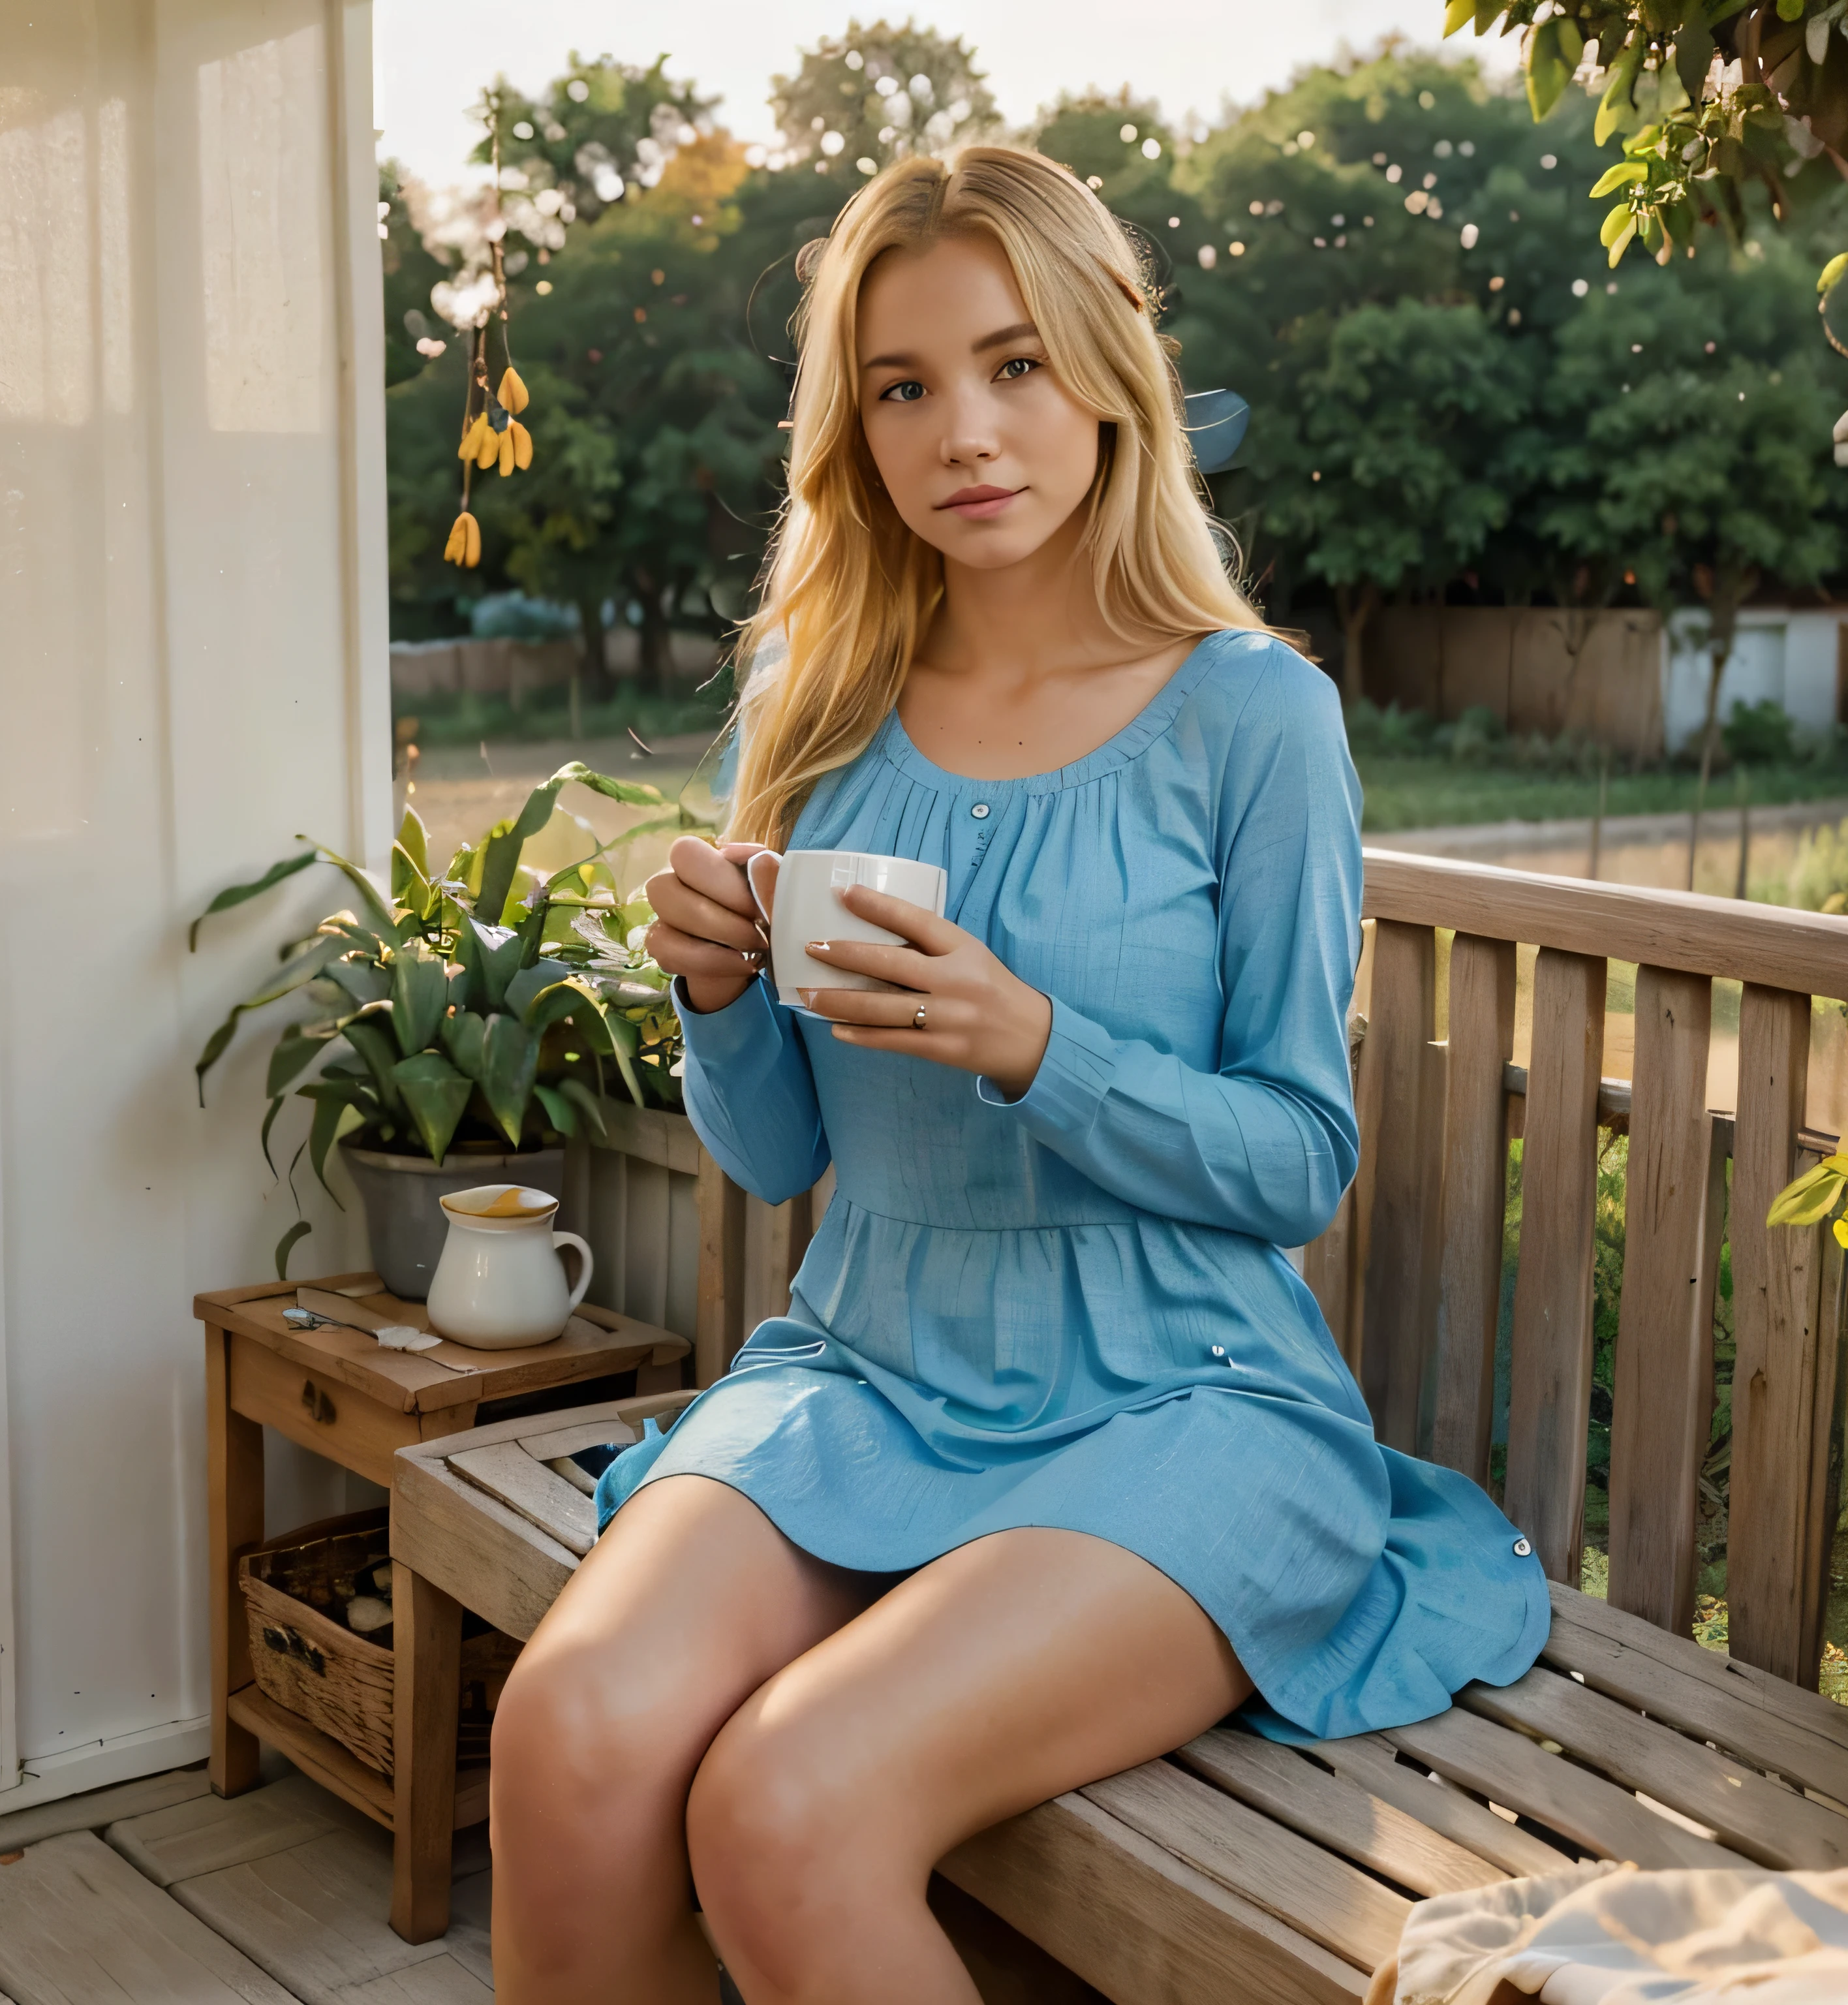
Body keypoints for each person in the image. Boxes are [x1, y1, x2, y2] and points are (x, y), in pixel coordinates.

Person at [487, 146, 1548, 2005]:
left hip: (1187, 1404)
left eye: (1015, 364)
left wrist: (1035, 1045)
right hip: (866, 1366)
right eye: (903, 387)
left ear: (1108, 366)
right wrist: (719, 996)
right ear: (856, 428)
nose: (964, 429)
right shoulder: (811, 705)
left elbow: (1300, 1159)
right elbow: (774, 1157)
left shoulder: (1255, 718)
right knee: (569, 1728)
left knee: (788, 1801)